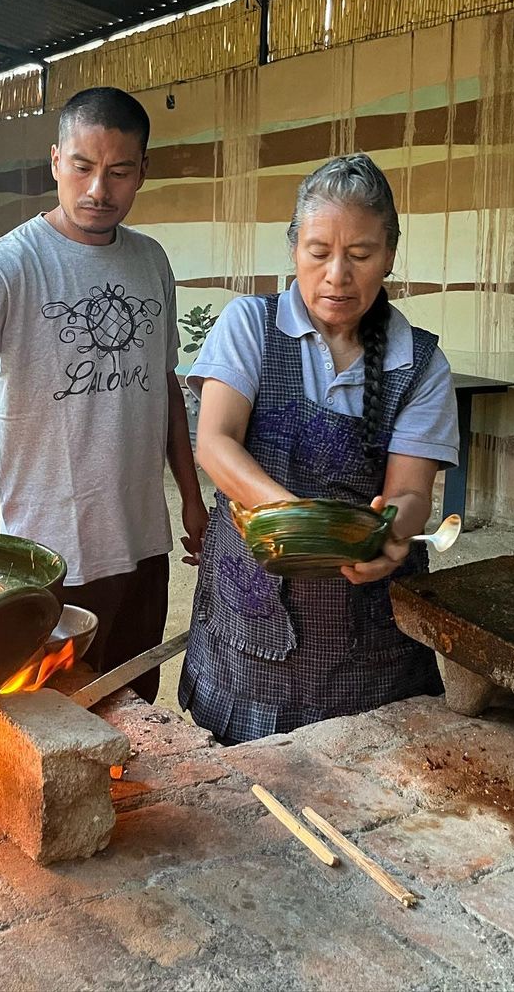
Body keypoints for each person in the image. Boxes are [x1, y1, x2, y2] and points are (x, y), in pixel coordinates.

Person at [0, 86, 207, 701]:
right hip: (53, 551)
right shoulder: (12, 265)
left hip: (143, 542)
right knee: (59, 712)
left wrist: (191, 497)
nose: (98, 191)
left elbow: (163, 386)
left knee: (135, 708)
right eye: (81, 168)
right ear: (54, 160)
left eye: (119, 171)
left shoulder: (151, 261)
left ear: (143, 173)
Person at [179, 153, 459, 744]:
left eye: (360, 255)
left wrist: (393, 535)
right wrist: (302, 523)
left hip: (368, 634)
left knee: (365, 772)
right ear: (294, 249)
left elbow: (411, 494)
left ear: (388, 256)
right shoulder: (249, 325)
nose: (338, 275)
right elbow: (216, 442)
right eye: (319, 252)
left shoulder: (421, 362)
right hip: (251, 621)